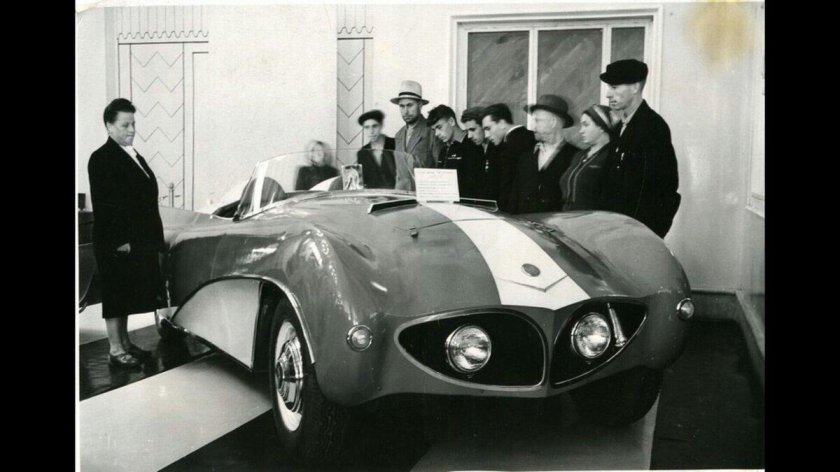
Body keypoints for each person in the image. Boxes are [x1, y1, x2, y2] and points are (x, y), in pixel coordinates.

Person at [88, 98, 166, 368]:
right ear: (109, 126)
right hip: (115, 241)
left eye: (133, 124)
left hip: (134, 239)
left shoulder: (131, 154)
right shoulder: (102, 158)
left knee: (125, 292)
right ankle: (114, 349)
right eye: (125, 125)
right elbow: (105, 204)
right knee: (115, 293)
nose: (132, 129)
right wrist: (120, 240)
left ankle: (124, 343)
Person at [599, 59, 681, 237]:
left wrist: (648, 235)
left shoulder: (653, 127)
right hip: (613, 229)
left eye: (614, 87)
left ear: (635, 87)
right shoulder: (620, 127)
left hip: (635, 232)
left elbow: (664, 188)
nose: (608, 94)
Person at [508, 95, 580, 214]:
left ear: (553, 122)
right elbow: (514, 199)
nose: (532, 127)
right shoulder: (526, 156)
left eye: (537, 121)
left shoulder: (576, 157)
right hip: (524, 223)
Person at [559, 104, 616, 211]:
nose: (581, 130)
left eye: (586, 125)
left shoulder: (612, 156)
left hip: (594, 218)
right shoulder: (579, 156)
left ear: (601, 127)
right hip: (568, 217)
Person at [480, 103, 535, 212]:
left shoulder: (514, 145)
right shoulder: (523, 138)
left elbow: (506, 185)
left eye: (488, 128)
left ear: (501, 123)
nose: (486, 135)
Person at [427, 104, 485, 199]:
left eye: (439, 127)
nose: (436, 134)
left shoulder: (474, 145)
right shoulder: (443, 150)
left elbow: (476, 186)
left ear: (451, 121)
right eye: (434, 130)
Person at [391, 80, 443, 169]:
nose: (405, 111)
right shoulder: (399, 135)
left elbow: (440, 168)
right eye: (402, 106)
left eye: (409, 105)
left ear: (420, 105)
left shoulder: (432, 131)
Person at [461, 106, 499, 201]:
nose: (469, 136)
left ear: (484, 127)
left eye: (472, 129)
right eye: (467, 131)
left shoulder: (498, 148)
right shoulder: (473, 148)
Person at [356, 109, 397, 189]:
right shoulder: (362, 152)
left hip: (396, 192)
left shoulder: (395, 144)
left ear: (381, 125)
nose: (371, 131)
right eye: (367, 127)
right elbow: (363, 180)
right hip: (373, 194)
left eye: (374, 126)